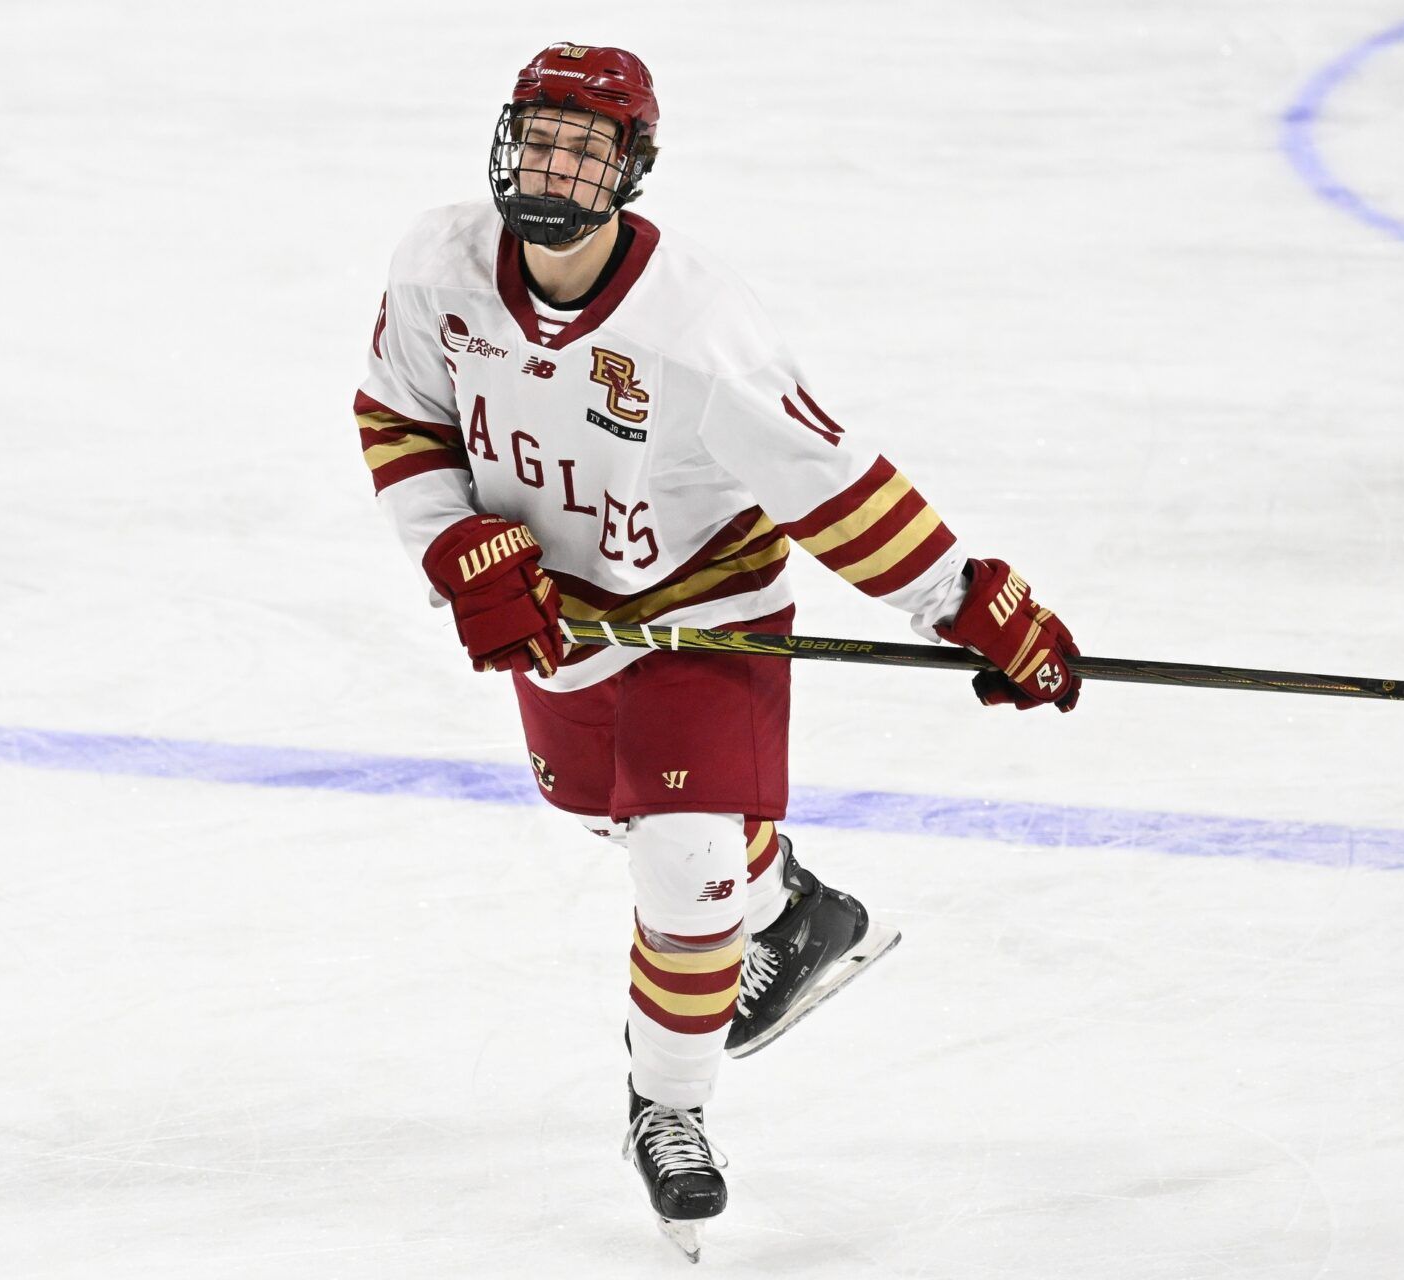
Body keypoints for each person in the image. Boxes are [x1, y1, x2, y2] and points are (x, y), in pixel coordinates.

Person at [353, 41, 1081, 1262]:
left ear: (630, 170)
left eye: (588, 149)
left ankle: (669, 1107)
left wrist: (965, 598)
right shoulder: (438, 269)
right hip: (563, 615)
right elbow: (398, 415)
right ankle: (789, 901)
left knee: (685, 875)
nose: (557, 167)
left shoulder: (698, 329)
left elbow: (834, 488)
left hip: (704, 605)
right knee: (614, 820)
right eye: (541, 137)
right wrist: (456, 548)